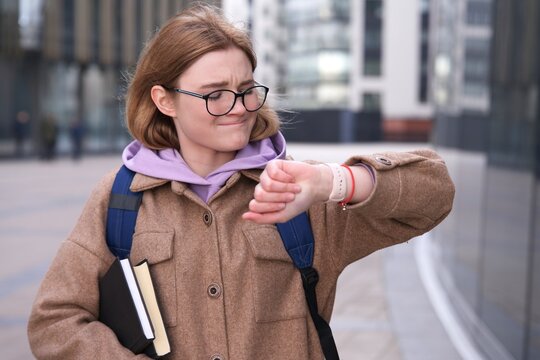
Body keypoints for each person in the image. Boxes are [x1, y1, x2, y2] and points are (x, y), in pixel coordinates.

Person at [27, 4, 455, 360]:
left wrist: (333, 183)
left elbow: (435, 192)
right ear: (165, 100)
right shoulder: (119, 198)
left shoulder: (296, 189)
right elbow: (55, 320)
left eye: (247, 89)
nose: (239, 107)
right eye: (214, 94)